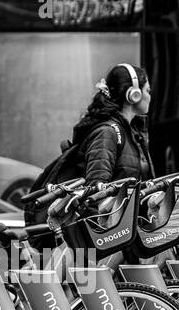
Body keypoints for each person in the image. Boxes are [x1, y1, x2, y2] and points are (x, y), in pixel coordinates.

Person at [25, 62, 153, 225]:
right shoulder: (108, 133)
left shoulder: (133, 133)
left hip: (127, 230)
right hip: (112, 236)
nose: (150, 96)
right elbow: (95, 193)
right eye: (147, 91)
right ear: (133, 94)